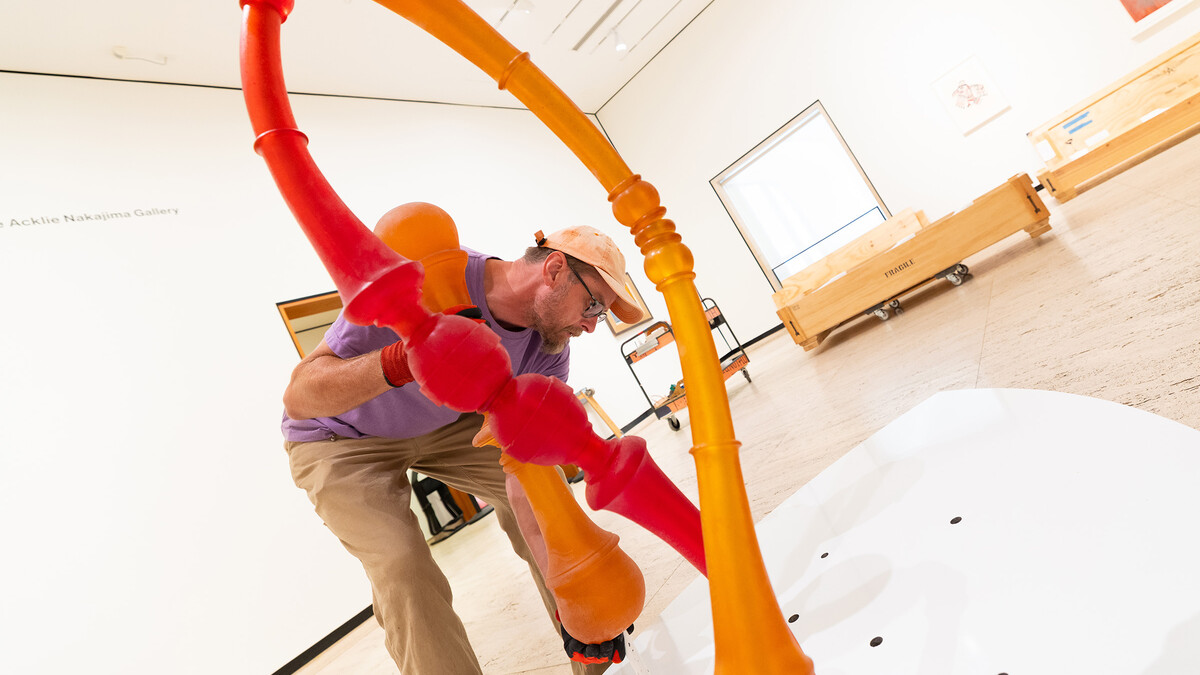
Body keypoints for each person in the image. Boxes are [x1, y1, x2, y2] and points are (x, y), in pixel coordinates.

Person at [281, 220, 645, 675]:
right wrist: (401, 359)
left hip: (448, 422)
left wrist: (576, 601)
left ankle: (591, 653)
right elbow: (300, 394)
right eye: (593, 305)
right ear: (554, 270)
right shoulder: (425, 276)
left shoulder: (547, 351)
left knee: (545, 495)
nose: (592, 326)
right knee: (401, 563)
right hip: (340, 436)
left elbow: (524, 481)